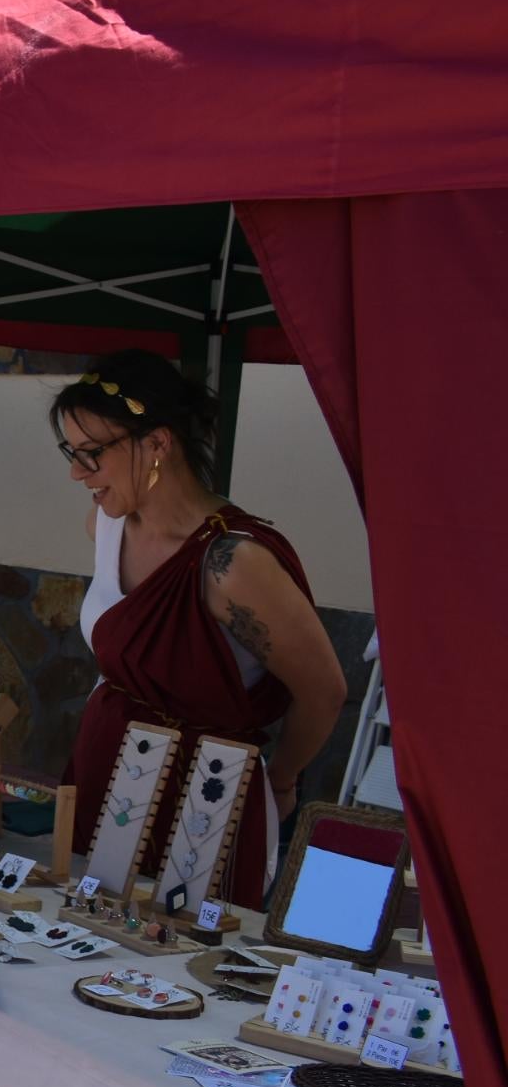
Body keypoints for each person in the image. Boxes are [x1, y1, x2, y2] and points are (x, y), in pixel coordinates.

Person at [55, 350, 346, 910]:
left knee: (175, 964)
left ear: (158, 444)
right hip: (108, 764)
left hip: (203, 793)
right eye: (72, 452)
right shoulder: (106, 526)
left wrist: (281, 780)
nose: (76, 472)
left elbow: (324, 691)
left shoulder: (233, 561)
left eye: (91, 454)